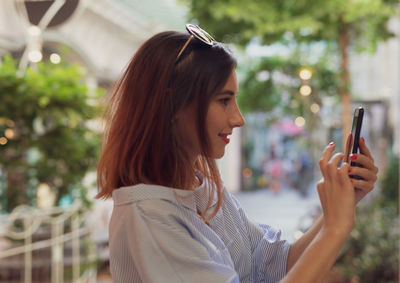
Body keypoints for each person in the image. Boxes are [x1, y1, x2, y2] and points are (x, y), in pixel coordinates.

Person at [96, 24, 379, 283]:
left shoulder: (201, 187)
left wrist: (339, 210)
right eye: (224, 101)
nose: (238, 118)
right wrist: (335, 229)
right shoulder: (149, 216)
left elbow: (276, 265)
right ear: (173, 105)